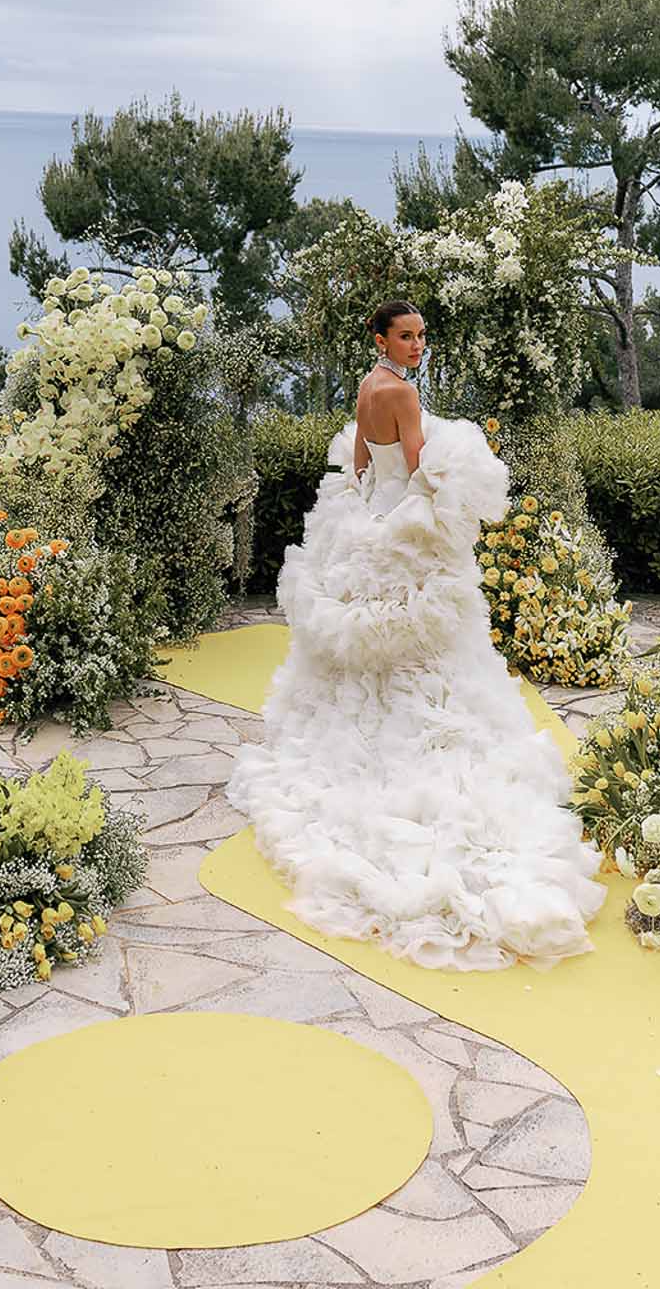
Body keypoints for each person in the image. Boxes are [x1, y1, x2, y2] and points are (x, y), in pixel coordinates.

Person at [226, 298, 607, 971]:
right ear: (381, 337)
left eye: (422, 336)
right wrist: (450, 502)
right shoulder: (400, 393)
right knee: (431, 656)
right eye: (406, 336)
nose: (417, 346)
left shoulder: (367, 388)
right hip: (402, 537)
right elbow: (419, 469)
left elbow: (366, 472)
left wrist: (376, 522)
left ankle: (364, 745)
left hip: (365, 533)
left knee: (364, 659)